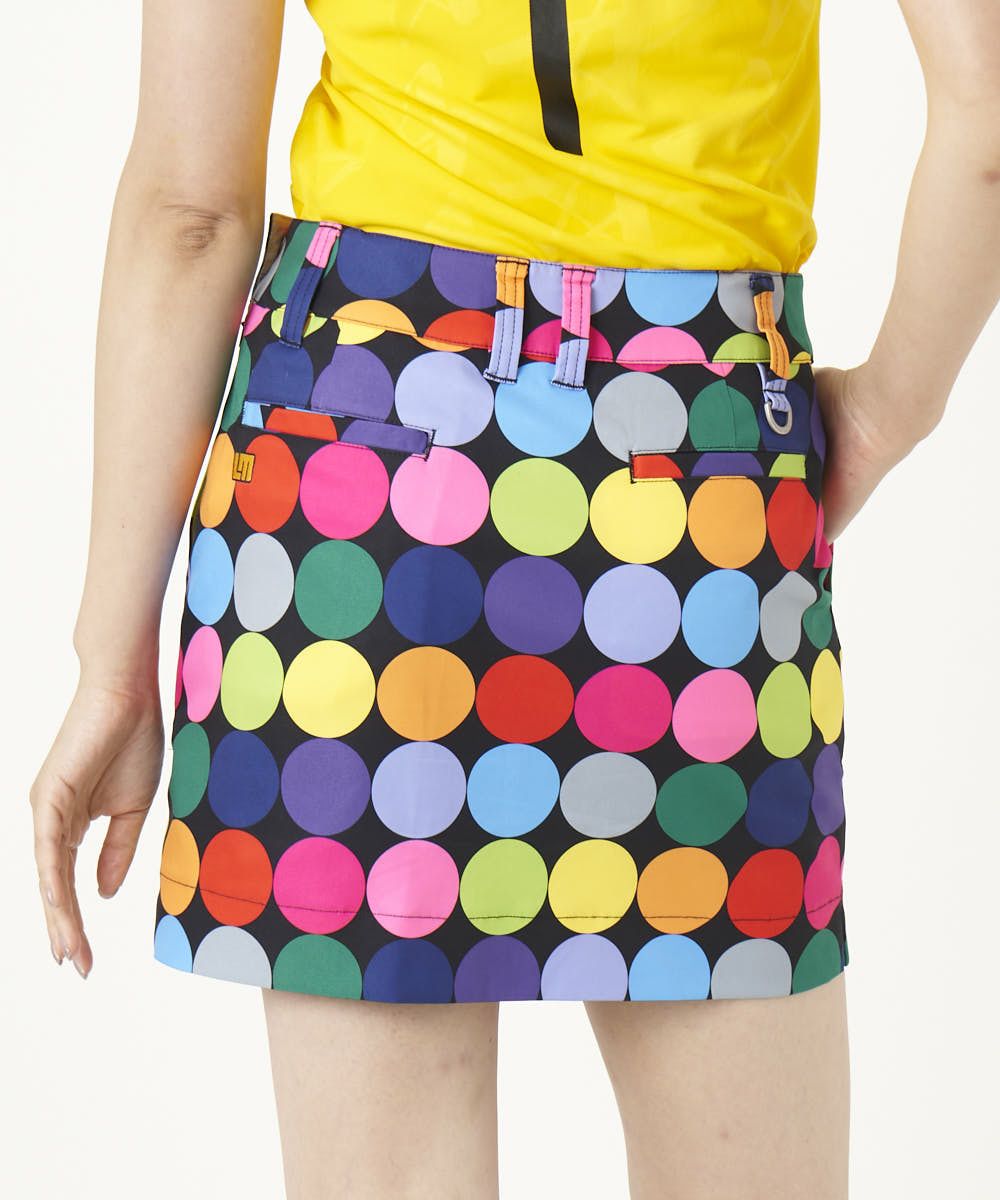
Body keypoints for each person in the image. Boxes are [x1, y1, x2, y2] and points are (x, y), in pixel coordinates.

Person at [28, 2, 998, 1197]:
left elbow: (190, 212)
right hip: (699, 464)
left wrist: (111, 662)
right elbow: (987, 112)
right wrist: (888, 413)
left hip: (356, 484)